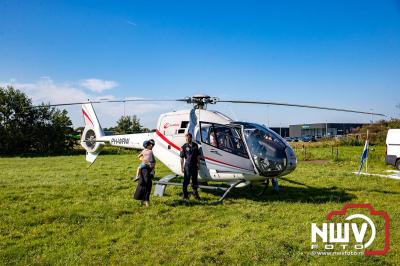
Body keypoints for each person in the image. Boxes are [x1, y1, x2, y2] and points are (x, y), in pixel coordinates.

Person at [133, 140, 156, 207]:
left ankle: (142, 200)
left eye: (152, 145)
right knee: (147, 185)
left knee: (143, 184)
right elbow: (140, 157)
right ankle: (146, 201)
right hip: (146, 170)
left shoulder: (148, 151)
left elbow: (153, 162)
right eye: (151, 144)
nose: (152, 146)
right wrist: (143, 159)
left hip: (147, 170)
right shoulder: (149, 152)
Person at [180, 133, 201, 201]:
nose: (187, 139)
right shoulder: (183, 147)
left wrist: (199, 164)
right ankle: (185, 195)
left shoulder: (195, 145)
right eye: (186, 138)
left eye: (188, 138)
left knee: (195, 181)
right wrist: (182, 167)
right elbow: (182, 158)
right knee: (186, 181)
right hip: (188, 166)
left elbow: (198, 156)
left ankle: (196, 195)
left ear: (191, 138)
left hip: (194, 165)